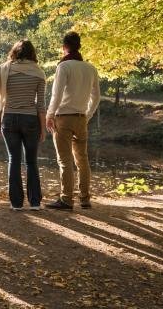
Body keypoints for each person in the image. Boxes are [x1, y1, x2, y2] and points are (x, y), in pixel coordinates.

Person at [0, 40, 47, 210]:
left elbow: (0, 101)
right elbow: (40, 104)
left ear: (15, 52)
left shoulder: (5, 69)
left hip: (9, 119)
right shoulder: (38, 73)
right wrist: (43, 129)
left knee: (13, 159)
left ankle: (16, 203)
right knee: (31, 161)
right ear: (32, 53)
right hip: (30, 120)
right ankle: (35, 202)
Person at [45, 31, 100, 210]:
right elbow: (96, 96)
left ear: (64, 47)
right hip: (81, 118)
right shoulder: (90, 68)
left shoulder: (64, 66)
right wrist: (88, 115)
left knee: (65, 160)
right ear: (79, 46)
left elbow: (57, 94)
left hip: (64, 118)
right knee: (82, 160)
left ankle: (66, 199)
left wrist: (49, 114)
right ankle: (85, 199)